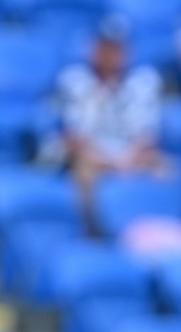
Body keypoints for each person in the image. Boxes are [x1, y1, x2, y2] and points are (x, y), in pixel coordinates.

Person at [48, 17, 164, 237]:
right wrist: (112, 163)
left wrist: (130, 161)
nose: (111, 55)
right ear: (94, 48)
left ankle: (155, 239)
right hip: (92, 156)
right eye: (105, 47)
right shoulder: (74, 80)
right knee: (84, 170)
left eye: (117, 48)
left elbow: (149, 136)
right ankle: (97, 235)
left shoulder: (144, 81)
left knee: (165, 168)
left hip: (130, 155)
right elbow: (74, 138)